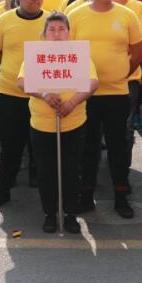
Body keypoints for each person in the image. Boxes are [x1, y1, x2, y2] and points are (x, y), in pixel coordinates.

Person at [69, 0, 142, 219]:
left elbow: (137, 53)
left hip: (117, 93)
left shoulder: (127, 15)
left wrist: (122, 73)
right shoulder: (75, 14)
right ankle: (85, 195)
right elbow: (68, 54)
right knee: (87, 147)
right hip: (85, 95)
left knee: (118, 146)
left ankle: (121, 195)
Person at [18, 12, 97, 234]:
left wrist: (72, 102)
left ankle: (71, 213)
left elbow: (93, 82)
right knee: (46, 171)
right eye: (51, 30)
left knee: (72, 169)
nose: (57, 34)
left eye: (61, 29)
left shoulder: (79, 54)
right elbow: (21, 81)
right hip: (42, 125)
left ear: (69, 32)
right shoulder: (36, 55)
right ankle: (50, 213)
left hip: (73, 122)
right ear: (44, 34)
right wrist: (43, 94)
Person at [0, 0, 47, 206]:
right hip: (11, 92)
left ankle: (38, 181)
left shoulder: (52, 21)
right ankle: (3, 189)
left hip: (43, 94)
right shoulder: (4, 20)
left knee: (40, 144)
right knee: (11, 145)